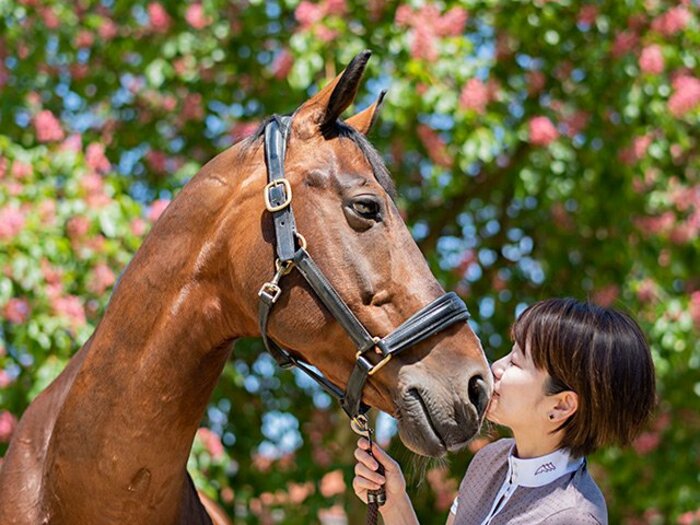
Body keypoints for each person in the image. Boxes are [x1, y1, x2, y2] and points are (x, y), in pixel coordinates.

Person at [352, 298, 656, 524]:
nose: (496, 367)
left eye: (517, 363)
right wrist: (394, 503)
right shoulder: (491, 460)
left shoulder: (573, 516)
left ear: (560, 406)